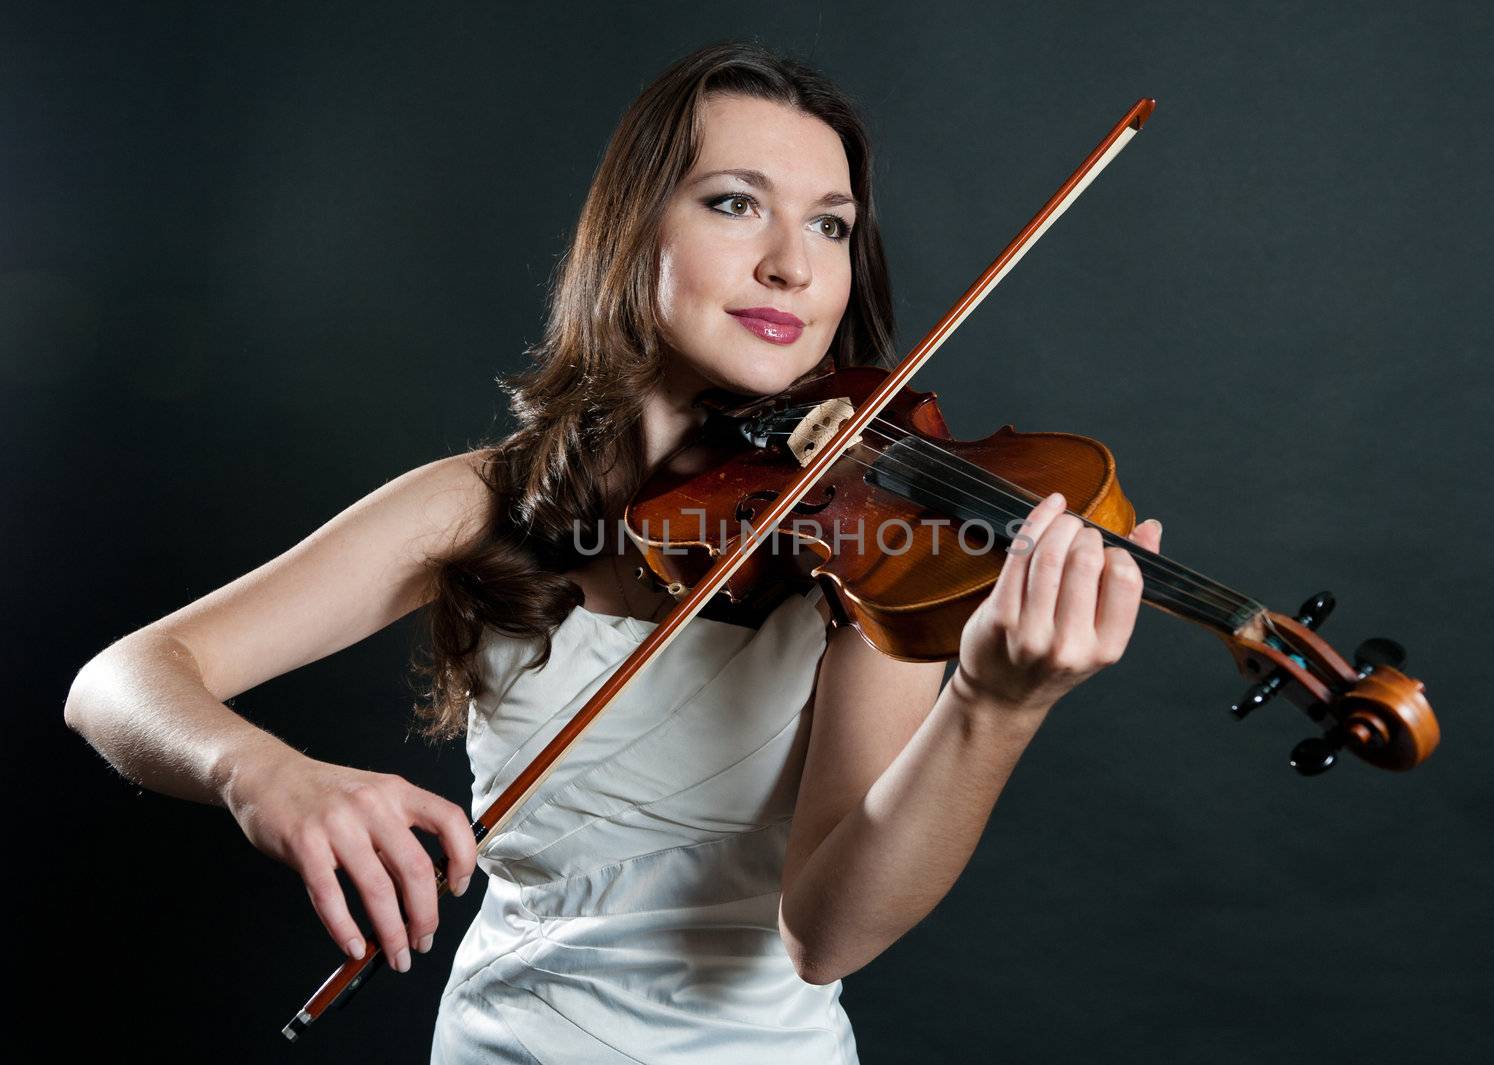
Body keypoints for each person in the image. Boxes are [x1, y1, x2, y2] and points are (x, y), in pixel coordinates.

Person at [63, 39, 1162, 1063]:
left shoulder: (873, 547)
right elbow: (119, 682)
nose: (792, 266)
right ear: (634, 232)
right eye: (737, 205)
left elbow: (827, 934)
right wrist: (266, 777)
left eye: (830, 225)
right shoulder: (480, 503)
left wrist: (993, 707)